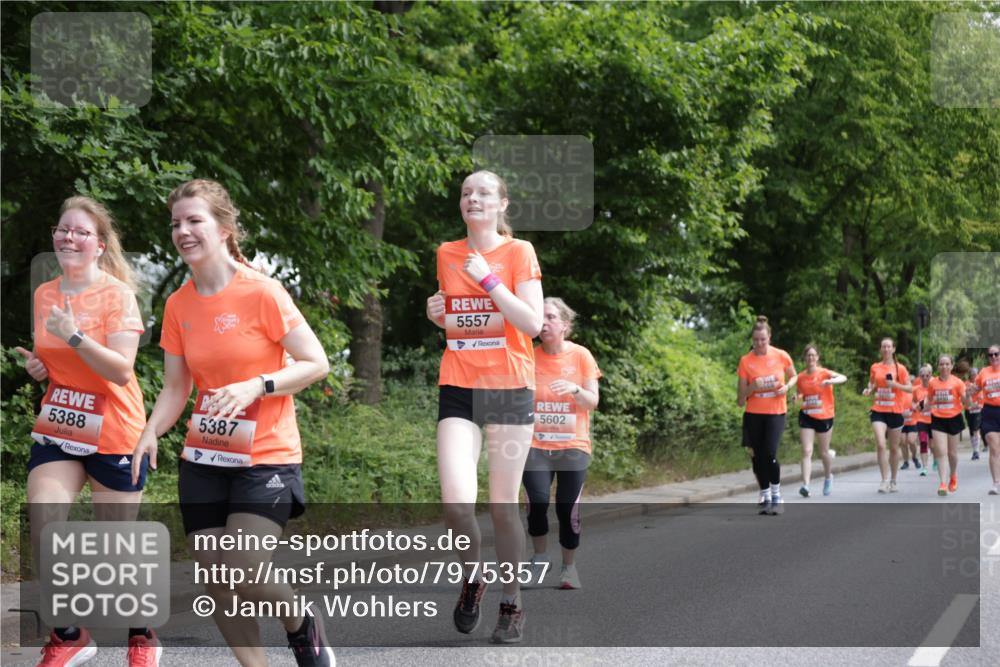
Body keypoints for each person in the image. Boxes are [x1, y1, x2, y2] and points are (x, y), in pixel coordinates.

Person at [131, 179, 332, 667]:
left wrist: (257, 385)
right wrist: (149, 430)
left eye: (194, 220)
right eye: (176, 223)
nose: (183, 231)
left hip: (267, 455)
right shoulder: (178, 304)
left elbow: (315, 362)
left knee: (243, 569)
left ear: (223, 228)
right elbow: (177, 387)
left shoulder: (262, 291)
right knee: (215, 577)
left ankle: (301, 623)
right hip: (204, 456)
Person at [16, 196, 159, 667]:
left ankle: (142, 636)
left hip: (115, 429)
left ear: (99, 245)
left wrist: (76, 335)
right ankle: (70, 634)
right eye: (62, 229)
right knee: (44, 522)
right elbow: (59, 363)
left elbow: (120, 371)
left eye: (80, 232)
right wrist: (42, 367)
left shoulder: (118, 296)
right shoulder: (45, 293)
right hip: (62, 420)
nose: (68, 238)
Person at [425, 170, 543, 644]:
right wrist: (438, 315)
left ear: (502, 205)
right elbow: (462, 322)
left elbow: (532, 323)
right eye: (466, 193)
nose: (472, 199)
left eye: (483, 193)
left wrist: (490, 279)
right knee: (456, 501)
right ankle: (473, 578)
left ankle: (511, 601)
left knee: (501, 506)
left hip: (510, 387)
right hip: (459, 384)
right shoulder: (447, 253)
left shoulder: (519, 252)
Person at [521, 298, 600, 590]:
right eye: (540, 317)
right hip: (535, 445)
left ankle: (569, 567)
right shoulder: (528, 356)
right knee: (537, 503)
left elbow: (593, 401)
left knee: (567, 510)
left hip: (573, 445)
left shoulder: (581, 356)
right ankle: (539, 558)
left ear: (565, 325)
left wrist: (575, 388)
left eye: (551, 317)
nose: (544, 322)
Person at [737, 316, 796, 515]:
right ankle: (765, 494)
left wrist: (786, 387)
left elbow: (794, 375)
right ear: (752, 340)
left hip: (775, 412)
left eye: (763, 339)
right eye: (756, 340)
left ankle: (777, 495)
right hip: (753, 414)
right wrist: (752, 387)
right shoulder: (746, 361)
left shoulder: (781, 355)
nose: (759, 344)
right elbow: (739, 399)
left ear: (769, 337)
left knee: (770, 454)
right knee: (758, 458)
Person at [793, 344, 846, 497]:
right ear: (805, 358)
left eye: (813, 355)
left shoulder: (824, 373)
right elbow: (800, 393)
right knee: (806, 450)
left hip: (824, 416)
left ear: (817, 358)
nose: (810, 358)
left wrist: (831, 382)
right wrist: (796, 397)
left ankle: (828, 477)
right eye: (808, 355)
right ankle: (806, 485)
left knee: (823, 452)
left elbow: (843, 377)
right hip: (807, 415)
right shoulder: (801, 377)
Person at [862, 338, 912, 493]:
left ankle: (894, 480)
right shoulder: (875, 367)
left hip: (895, 411)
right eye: (883, 346)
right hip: (878, 410)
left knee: (894, 448)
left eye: (888, 346)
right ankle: (884, 480)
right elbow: (872, 383)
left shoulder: (900, 369)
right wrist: (869, 389)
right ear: (880, 349)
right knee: (881, 444)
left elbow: (910, 388)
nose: (886, 349)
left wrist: (894, 385)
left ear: (893, 349)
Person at [927, 354, 969, 496]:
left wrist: (968, 395)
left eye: (947, 364)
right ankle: (943, 483)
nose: (944, 366)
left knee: (952, 453)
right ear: (938, 366)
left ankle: (953, 475)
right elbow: (929, 400)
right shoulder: (932, 383)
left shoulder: (958, 382)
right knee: (940, 451)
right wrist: (920, 407)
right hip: (938, 418)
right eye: (941, 364)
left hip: (954, 418)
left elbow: (965, 401)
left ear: (951, 366)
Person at [975, 345, 1000, 494]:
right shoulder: (984, 372)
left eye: (996, 354)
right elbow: (976, 388)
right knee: (994, 448)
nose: (994, 357)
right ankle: (996, 483)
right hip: (989, 412)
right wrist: (968, 391)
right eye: (991, 355)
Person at [913, 365, 933, 475]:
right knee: (923, 442)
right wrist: (915, 405)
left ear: (930, 375)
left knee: (934, 444)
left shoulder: (934, 387)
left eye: (927, 375)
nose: (925, 377)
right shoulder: (916, 389)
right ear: (920, 377)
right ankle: (924, 467)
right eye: (923, 376)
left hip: (934, 419)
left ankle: (935, 460)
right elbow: (912, 401)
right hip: (921, 419)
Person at [964, 366, 984, 460]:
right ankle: (974, 450)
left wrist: (979, 404)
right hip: (969, 410)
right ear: (970, 375)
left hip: (978, 410)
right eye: (972, 374)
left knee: (976, 430)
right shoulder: (966, 384)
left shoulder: (980, 384)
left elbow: (983, 395)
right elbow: (964, 396)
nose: (974, 376)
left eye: (975, 374)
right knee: (971, 431)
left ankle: (976, 451)